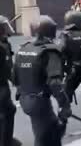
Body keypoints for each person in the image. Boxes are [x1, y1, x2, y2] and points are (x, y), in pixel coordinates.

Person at [14, 16, 71, 146]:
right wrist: (64, 104)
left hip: (25, 99)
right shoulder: (50, 52)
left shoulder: (24, 49)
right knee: (45, 136)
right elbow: (55, 83)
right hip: (40, 102)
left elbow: (15, 76)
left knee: (50, 131)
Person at [0, 16, 21, 146]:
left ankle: (8, 140)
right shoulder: (2, 47)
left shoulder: (3, 44)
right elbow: (8, 70)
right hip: (1, 86)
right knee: (5, 113)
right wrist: (19, 84)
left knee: (8, 111)